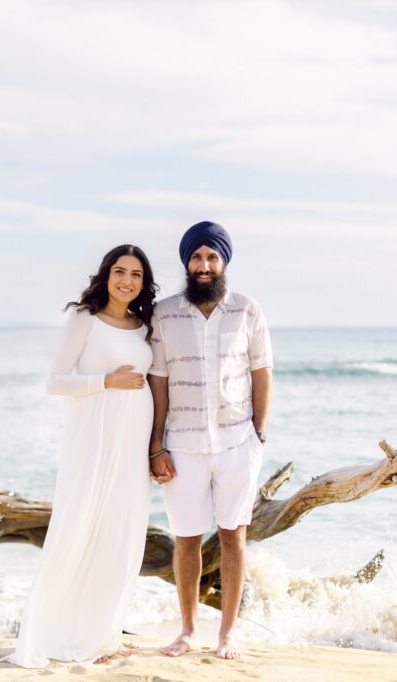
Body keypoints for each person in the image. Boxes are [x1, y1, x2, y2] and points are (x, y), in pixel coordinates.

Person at [5, 244, 158, 668]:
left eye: (136, 275)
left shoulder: (144, 325)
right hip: (93, 437)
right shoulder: (85, 318)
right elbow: (55, 381)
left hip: (132, 443)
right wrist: (106, 380)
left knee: (122, 533)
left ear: (143, 283)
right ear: (106, 274)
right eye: (120, 271)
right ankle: (55, 631)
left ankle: (103, 633)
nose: (127, 281)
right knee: (80, 525)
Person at [147, 221, 273, 660]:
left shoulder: (247, 310)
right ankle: (187, 631)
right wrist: (156, 445)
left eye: (212, 257)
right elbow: (158, 381)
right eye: (197, 258)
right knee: (186, 538)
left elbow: (262, 371)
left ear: (223, 262)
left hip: (238, 442)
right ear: (186, 262)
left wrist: (259, 433)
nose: (204, 266)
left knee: (234, 535)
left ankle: (228, 634)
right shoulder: (164, 314)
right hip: (182, 444)